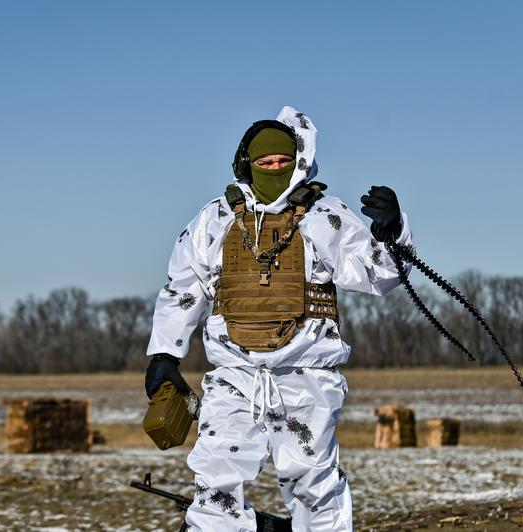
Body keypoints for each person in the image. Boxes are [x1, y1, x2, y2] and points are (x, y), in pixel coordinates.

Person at [144, 106, 414, 531]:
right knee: (215, 484)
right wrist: (164, 354)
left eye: (283, 161)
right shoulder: (214, 219)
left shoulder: (325, 216)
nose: (274, 168)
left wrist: (392, 230)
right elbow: (182, 288)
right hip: (234, 377)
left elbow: (377, 274)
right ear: (244, 164)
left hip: (305, 378)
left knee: (314, 485)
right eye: (264, 162)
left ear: (299, 162)